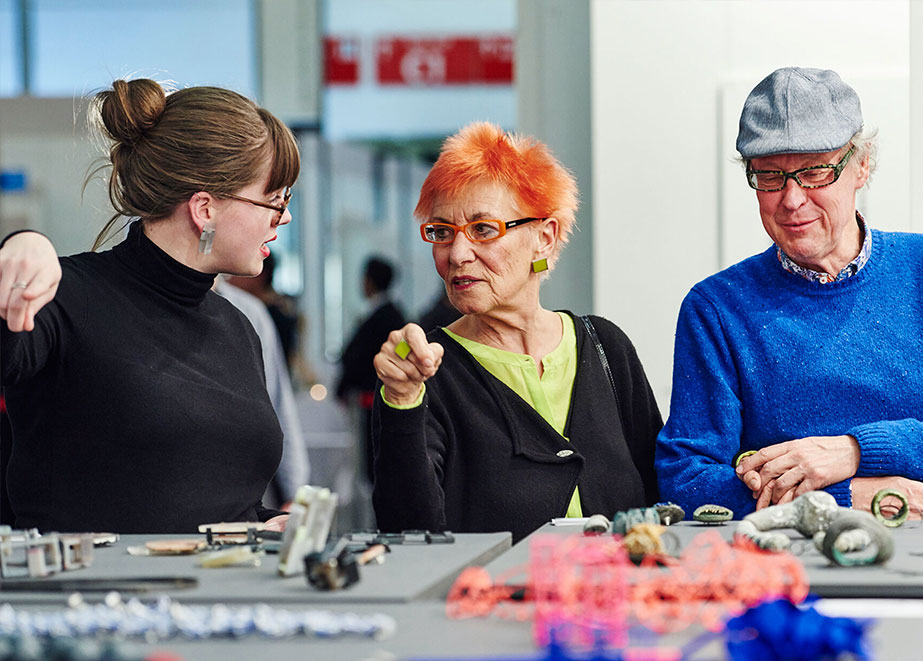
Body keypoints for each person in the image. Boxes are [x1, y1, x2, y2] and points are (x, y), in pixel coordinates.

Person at [0, 78, 299, 533]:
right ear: (205, 209)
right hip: (92, 599)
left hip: (224, 598)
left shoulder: (238, 328)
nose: (285, 217)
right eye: (274, 201)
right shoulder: (64, 300)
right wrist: (17, 250)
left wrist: (267, 526)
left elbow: (215, 503)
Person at [371, 122, 662, 543]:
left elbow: (658, 497)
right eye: (441, 232)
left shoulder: (605, 348)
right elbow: (409, 538)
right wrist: (401, 401)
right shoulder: (423, 371)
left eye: (483, 229)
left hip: (619, 600)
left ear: (545, 238)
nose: (457, 253)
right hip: (491, 605)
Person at [656, 67, 923, 518]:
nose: (792, 199)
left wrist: (853, 451)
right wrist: (853, 497)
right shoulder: (717, 309)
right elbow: (686, 478)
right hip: (784, 569)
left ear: (862, 165)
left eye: (815, 172)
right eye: (769, 176)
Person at [215, 277, 310, 507]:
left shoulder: (249, 313)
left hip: (244, 499)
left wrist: (295, 492)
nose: (270, 238)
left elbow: (278, 403)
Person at [336, 256, 405, 483]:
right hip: (370, 399)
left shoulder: (384, 317)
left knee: (373, 466)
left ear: (371, 280)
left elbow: (357, 357)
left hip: (373, 401)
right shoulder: (388, 314)